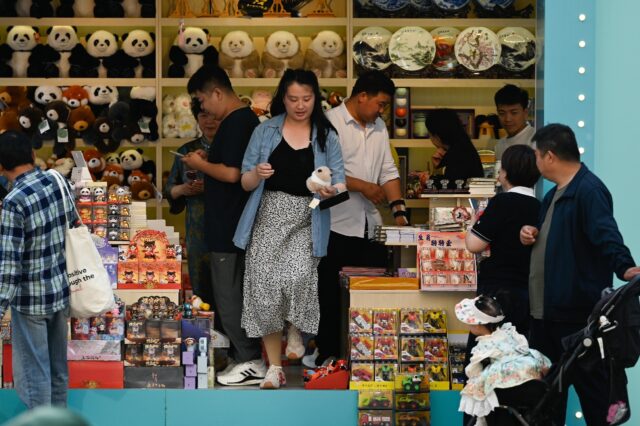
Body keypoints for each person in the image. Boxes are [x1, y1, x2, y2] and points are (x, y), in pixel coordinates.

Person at [519, 123, 640, 425]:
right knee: (547, 402)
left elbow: (606, 234)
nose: (535, 162)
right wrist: (530, 233)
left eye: (536, 155)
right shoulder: (552, 196)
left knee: (596, 400)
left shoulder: (588, 190)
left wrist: (625, 266)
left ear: (549, 156)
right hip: (545, 317)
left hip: (577, 319)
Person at [233, 69, 346, 389]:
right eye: (293, 99)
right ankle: (274, 367)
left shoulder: (326, 134)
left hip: (308, 214)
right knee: (264, 288)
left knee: (298, 275)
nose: (300, 105)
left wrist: (329, 190)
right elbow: (244, 181)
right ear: (283, 98)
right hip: (268, 213)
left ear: (316, 99)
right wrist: (257, 172)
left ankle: (296, 329)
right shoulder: (265, 131)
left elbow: (340, 180)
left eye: (307, 99)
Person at [306, 70, 406, 368]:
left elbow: (388, 170)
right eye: (381, 103)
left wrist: (399, 211)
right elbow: (320, 170)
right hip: (333, 222)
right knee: (329, 294)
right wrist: (363, 185)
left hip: (369, 225)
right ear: (362, 96)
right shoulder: (329, 123)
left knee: (369, 295)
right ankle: (328, 355)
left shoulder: (378, 127)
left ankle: (365, 358)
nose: (382, 110)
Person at [181, 65, 264, 386]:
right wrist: (208, 158)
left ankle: (249, 359)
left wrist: (200, 163)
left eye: (202, 99)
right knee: (231, 294)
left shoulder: (237, 122)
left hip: (231, 226)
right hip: (232, 225)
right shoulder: (241, 122)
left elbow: (232, 174)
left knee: (230, 297)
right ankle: (244, 356)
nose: (203, 108)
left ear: (217, 93)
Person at [0, 131, 77, 408]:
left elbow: (9, 266)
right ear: (32, 155)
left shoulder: (13, 201)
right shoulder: (58, 182)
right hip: (60, 291)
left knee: (35, 377)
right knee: (57, 372)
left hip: (31, 301)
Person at [465, 144, 541, 336]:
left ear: (504, 174)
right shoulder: (540, 206)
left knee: (487, 352)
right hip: (528, 293)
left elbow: (474, 245)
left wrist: (471, 224)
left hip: (496, 293)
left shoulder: (501, 202)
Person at [455, 295, 551, 425]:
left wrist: (475, 380)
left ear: (477, 325)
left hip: (512, 385)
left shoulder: (485, 345)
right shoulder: (507, 333)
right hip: (530, 377)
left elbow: (473, 370)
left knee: (479, 393)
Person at [164, 100, 220, 306]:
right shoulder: (186, 150)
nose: (210, 121)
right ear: (196, 119)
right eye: (203, 116)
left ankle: (228, 336)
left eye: (214, 116)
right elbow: (170, 189)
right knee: (200, 287)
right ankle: (204, 333)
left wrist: (211, 187)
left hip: (226, 227)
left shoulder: (230, 150)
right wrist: (184, 189)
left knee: (226, 288)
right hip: (196, 229)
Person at [426, 108, 484, 187]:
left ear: (437, 136)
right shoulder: (462, 147)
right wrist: (440, 166)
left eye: (430, 134)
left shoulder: (459, 153)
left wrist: (428, 179)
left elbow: (450, 186)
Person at [494, 84, 535, 162]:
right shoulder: (499, 145)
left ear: (525, 112)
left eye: (514, 112)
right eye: (502, 113)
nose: (507, 119)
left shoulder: (536, 140)